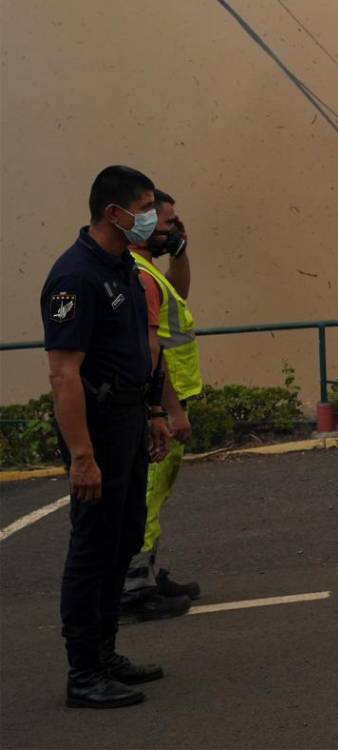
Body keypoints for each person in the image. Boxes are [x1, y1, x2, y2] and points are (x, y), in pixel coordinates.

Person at [41, 165, 172, 709]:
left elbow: (137, 350)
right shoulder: (74, 276)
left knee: (124, 539)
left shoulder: (121, 266)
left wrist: (154, 411)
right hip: (95, 428)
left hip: (128, 420)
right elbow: (63, 373)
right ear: (113, 212)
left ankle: (106, 651)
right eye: (143, 206)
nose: (150, 217)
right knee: (92, 547)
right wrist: (82, 456)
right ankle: (83, 672)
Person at [121, 189, 203, 621]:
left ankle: (146, 574)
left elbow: (181, 297)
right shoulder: (140, 275)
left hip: (170, 397)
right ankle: (135, 587)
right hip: (164, 401)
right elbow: (155, 351)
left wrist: (181, 249)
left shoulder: (153, 270)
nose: (171, 228)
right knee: (149, 495)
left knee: (156, 491)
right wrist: (171, 411)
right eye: (167, 223)